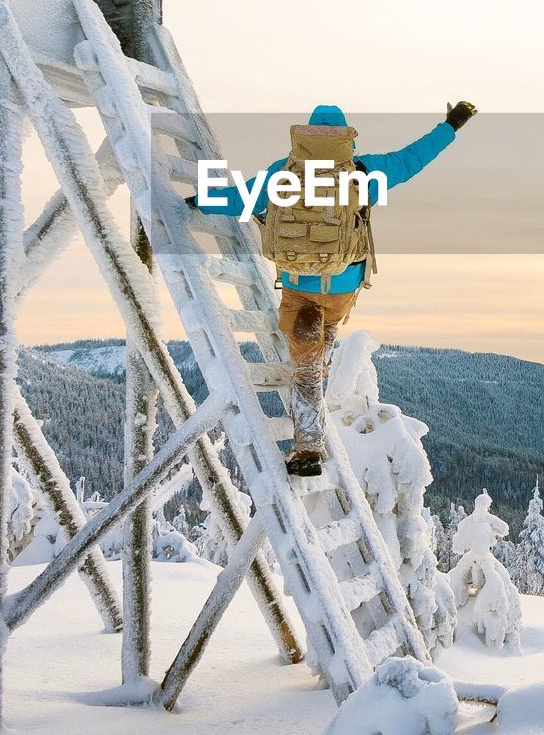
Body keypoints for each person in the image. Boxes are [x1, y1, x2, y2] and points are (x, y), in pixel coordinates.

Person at [192, 101, 476, 475]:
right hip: (343, 286)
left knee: (306, 359)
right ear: (345, 138)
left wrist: (195, 201)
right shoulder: (363, 171)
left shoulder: (283, 173)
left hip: (297, 284)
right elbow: (413, 158)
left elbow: (234, 200)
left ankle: (308, 440)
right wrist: (451, 125)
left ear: (306, 136)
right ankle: (317, 360)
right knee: (319, 343)